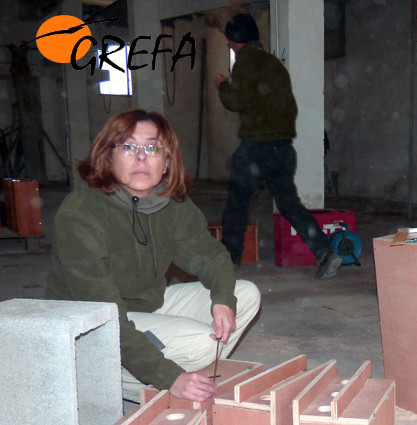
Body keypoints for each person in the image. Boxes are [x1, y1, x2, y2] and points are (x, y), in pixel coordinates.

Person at [46, 109, 261, 403]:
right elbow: (105, 316)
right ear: (107, 157)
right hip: (87, 326)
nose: (141, 157)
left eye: (152, 147)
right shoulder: (81, 215)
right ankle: (98, 381)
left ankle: (180, 378)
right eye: (128, 146)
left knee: (244, 294)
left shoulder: (168, 203)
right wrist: (168, 376)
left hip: (145, 305)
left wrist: (223, 298)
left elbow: (210, 255)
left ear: (167, 161)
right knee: (200, 343)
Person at [214, 12, 341, 280]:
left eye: (229, 41)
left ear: (236, 40)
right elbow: (288, 106)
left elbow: (234, 102)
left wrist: (223, 86)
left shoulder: (245, 62)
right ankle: (325, 252)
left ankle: (229, 262)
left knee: (237, 204)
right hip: (283, 148)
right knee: (289, 204)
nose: (228, 45)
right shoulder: (275, 64)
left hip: (255, 148)